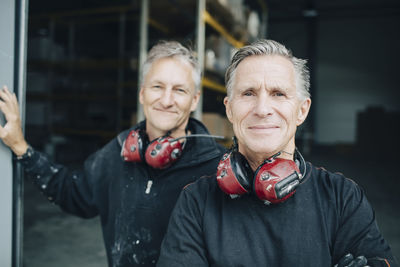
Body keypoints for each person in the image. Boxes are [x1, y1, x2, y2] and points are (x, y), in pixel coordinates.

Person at [157, 39, 399, 267]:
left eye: (278, 94)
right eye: (248, 93)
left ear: (302, 111)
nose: (262, 109)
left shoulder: (342, 198)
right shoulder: (196, 202)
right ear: (229, 110)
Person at [0, 41, 226, 267]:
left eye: (179, 90)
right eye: (157, 87)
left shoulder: (216, 169)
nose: (166, 100)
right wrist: (21, 147)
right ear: (142, 93)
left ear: (194, 99)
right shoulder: (116, 152)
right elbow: (71, 192)